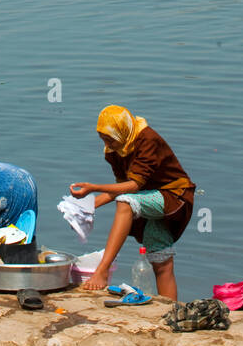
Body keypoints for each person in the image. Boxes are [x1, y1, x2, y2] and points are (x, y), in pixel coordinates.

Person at [69, 104, 195, 300]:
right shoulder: (113, 150)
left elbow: (133, 186)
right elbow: (122, 185)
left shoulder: (147, 139)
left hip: (173, 195)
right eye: (103, 139)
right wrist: (89, 205)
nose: (108, 143)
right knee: (161, 261)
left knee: (126, 203)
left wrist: (94, 188)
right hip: (147, 197)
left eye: (110, 139)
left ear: (122, 131)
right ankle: (172, 310)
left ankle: (103, 269)